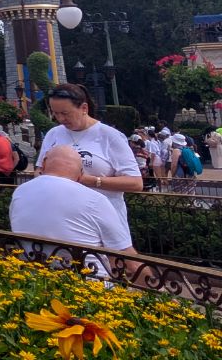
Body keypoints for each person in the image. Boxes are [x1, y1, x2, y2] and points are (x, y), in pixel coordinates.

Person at [36, 83, 143, 245]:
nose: (60, 119)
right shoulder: (54, 134)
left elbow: (136, 183)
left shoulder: (110, 136)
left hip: (103, 220)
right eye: (55, 113)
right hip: (64, 217)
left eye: (65, 113)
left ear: (84, 108)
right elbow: (39, 170)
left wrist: (91, 180)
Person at [10, 145, 136, 279]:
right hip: (87, 287)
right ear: (81, 174)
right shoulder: (95, 200)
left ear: (44, 164)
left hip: (32, 281)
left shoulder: (20, 191)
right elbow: (129, 260)